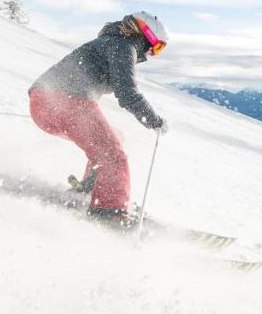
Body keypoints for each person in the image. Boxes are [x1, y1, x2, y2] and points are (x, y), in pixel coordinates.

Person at [29, 12, 168, 227]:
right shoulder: (123, 46)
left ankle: (89, 191)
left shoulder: (111, 42)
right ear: (146, 34)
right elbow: (127, 93)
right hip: (64, 101)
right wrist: (154, 120)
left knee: (114, 140)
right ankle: (109, 212)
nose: (152, 54)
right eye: (158, 46)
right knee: (113, 154)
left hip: (45, 103)